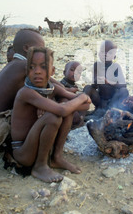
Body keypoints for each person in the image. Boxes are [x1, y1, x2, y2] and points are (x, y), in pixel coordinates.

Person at [0, 28, 79, 154]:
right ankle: (52, 153)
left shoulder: (14, 64)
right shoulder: (25, 66)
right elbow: (57, 86)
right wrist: (74, 95)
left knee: (50, 102)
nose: (43, 51)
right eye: (41, 47)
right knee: (60, 107)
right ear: (27, 48)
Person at [10, 46, 91, 183]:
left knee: (65, 106)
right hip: (24, 152)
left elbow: (87, 105)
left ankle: (56, 158)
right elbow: (66, 109)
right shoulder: (26, 93)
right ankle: (40, 166)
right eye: (32, 67)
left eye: (43, 67)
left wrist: (78, 100)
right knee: (54, 116)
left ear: (52, 71)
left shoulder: (51, 88)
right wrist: (82, 97)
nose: (37, 72)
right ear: (26, 70)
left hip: (37, 145)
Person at [84, 40, 129, 112]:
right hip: (99, 100)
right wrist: (97, 81)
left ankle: (110, 110)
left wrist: (109, 82)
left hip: (113, 100)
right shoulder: (97, 65)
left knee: (124, 91)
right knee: (88, 88)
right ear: (99, 54)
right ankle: (81, 113)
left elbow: (123, 85)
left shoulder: (116, 67)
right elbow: (93, 86)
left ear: (114, 56)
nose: (105, 54)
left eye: (109, 52)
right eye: (102, 51)